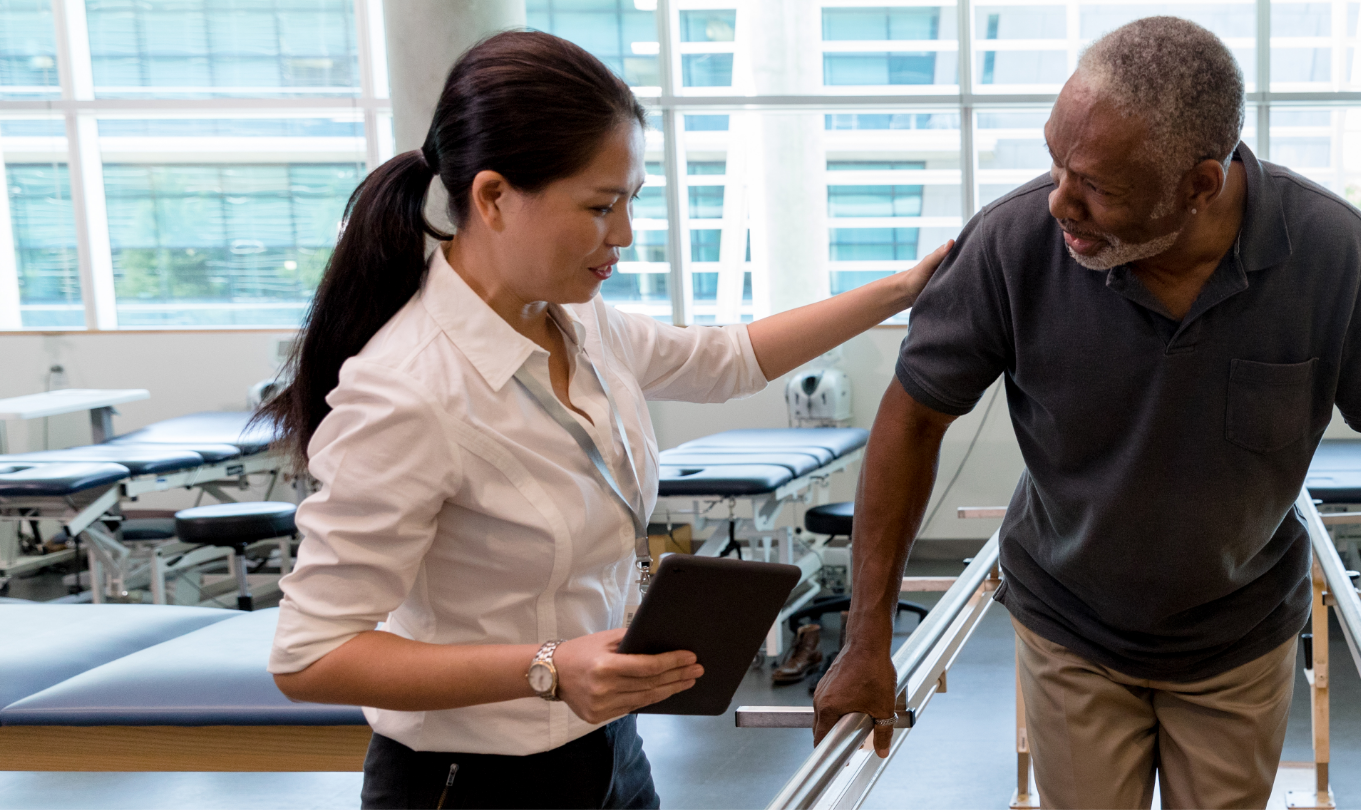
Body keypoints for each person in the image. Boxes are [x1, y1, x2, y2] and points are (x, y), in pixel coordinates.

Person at [259, 32, 948, 810]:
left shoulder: (582, 326)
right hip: (474, 782)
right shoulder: (407, 391)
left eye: (632, 201)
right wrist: (547, 665)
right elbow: (310, 655)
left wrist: (901, 290)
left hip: (606, 751)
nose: (622, 235)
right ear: (492, 198)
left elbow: (727, 359)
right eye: (599, 206)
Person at [814, 16, 1361, 810]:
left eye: (1096, 187)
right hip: (1071, 626)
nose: (1060, 202)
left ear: (1200, 185)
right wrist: (865, 638)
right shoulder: (1015, 243)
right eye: (1056, 161)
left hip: (1239, 635)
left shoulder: (1330, 252)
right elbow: (912, 419)